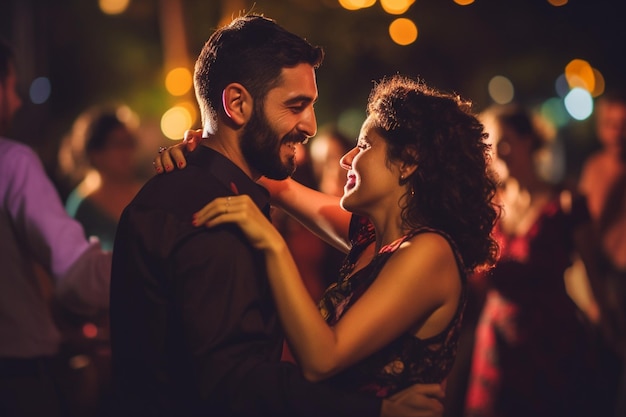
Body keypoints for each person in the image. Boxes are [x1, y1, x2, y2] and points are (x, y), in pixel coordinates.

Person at [111, 14, 445, 417]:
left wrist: (206, 155)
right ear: (236, 103)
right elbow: (235, 385)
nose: (311, 126)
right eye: (296, 106)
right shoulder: (217, 215)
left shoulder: (412, 244)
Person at [463, 103, 604, 417]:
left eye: (505, 142)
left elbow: (596, 279)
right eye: (492, 147)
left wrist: (611, 332)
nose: (498, 154)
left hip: (553, 341)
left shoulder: (565, 203)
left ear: (529, 140)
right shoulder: (489, 208)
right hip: (497, 340)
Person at [0, 37, 111, 417]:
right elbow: (78, 277)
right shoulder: (12, 163)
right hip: (18, 377)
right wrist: (152, 263)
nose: (16, 102)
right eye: (11, 88)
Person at [577, 90, 626, 417]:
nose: (618, 132)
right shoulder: (594, 168)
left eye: (623, 125)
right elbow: (584, 232)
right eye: (610, 124)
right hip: (605, 279)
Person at [58, 105, 144, 251]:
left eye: (129, 143)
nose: (127, 152)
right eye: (118, 144)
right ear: (95, 153)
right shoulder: (83, 207)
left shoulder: (144, 193)